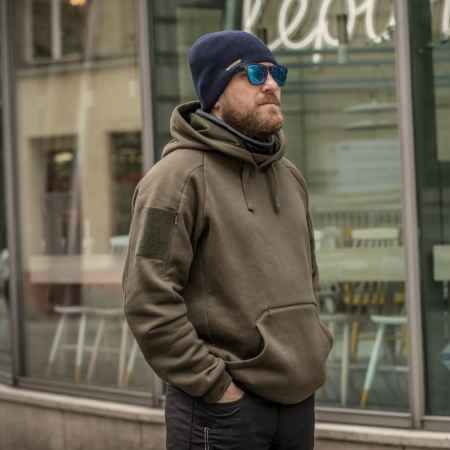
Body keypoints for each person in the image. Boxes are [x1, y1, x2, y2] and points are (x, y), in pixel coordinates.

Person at [123, 30, 333, 450]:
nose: (271, 85)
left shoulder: (290, 178)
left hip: (297, 405)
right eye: (254, 74)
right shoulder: (174, 181)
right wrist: (215, 386)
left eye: (276, 74)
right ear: (215, 94)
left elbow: (308, 276)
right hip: (222, 412)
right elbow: (147, 298)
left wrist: (314, 345)